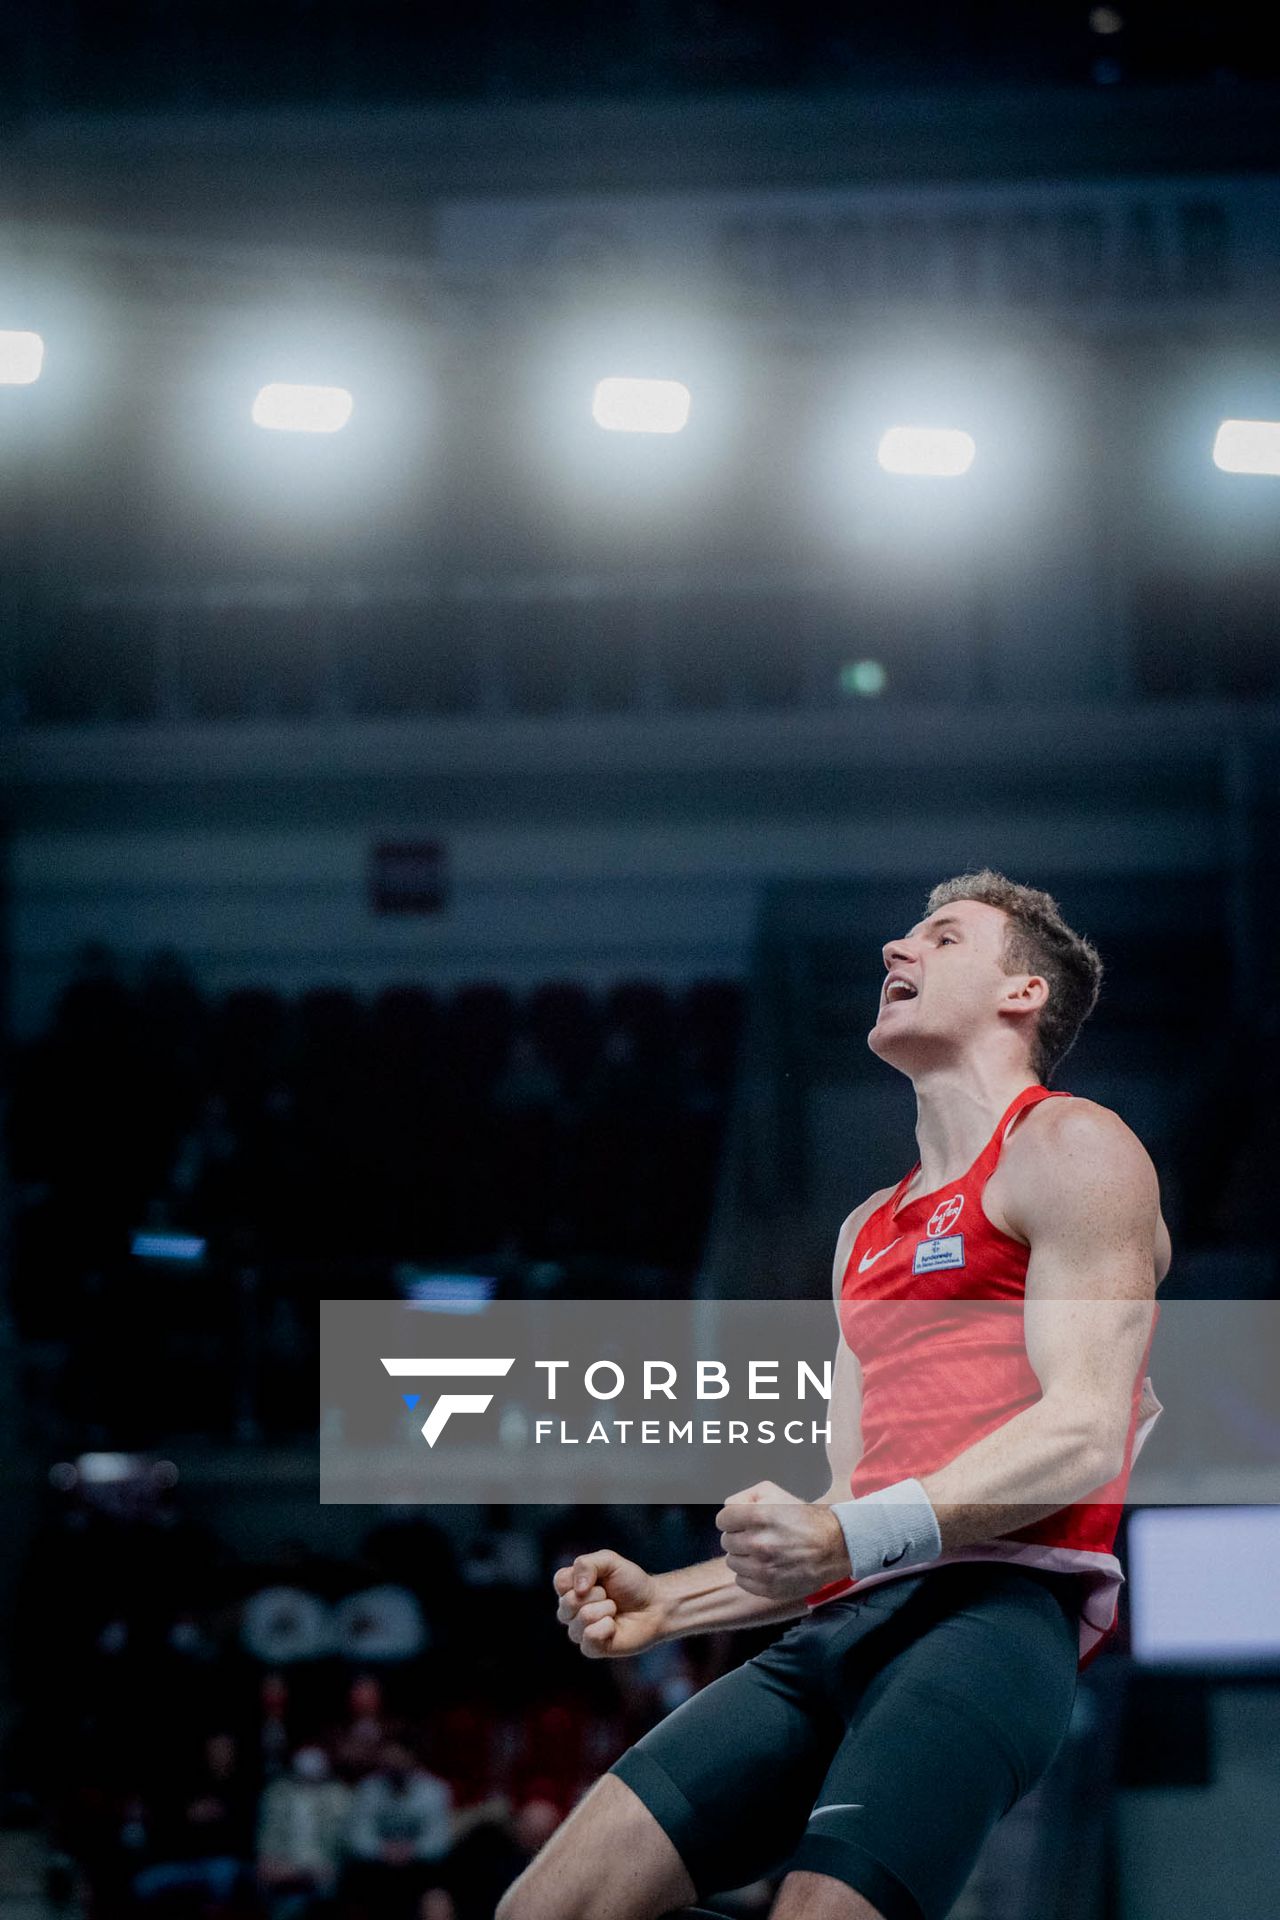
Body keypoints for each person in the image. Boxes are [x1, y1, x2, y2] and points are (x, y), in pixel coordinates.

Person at [500, 870, 1169, 1920]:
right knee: (548, 1909)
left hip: (991, 1623)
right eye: (902, 939)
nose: (894, 954)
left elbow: (1082, 1431)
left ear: (1020, 995)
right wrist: (672, 1601)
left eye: (940, 939)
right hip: (838, 1630)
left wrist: (846, 1538)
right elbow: (842, 1510)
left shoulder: (1072, 1148)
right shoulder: (867, 1229)